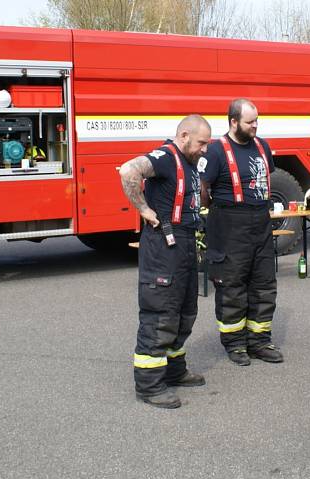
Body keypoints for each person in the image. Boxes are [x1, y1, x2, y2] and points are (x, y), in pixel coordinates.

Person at [119, 114, 211, 409]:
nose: (205, 149)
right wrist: (143, 209)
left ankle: (174, 370)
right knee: (160, 314)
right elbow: (129, 171)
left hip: (183, 243)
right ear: (184, 135)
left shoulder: (188, 162)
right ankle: (149, 385)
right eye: (202, 143)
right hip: (163, 245)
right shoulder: (165, 157)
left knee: (184, 311)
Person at [200, 98, 282, 366]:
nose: (255, 126)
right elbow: (202, 188)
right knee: (232, 285)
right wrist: (217, 209)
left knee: (263, 283)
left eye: (257, 120)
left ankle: (259, 340)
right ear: (233, 122)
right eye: (250, 122)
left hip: (260, 220)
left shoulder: (262, 146)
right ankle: (235, 343)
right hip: (229, 222)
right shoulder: (215, 151)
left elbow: (265, 174)